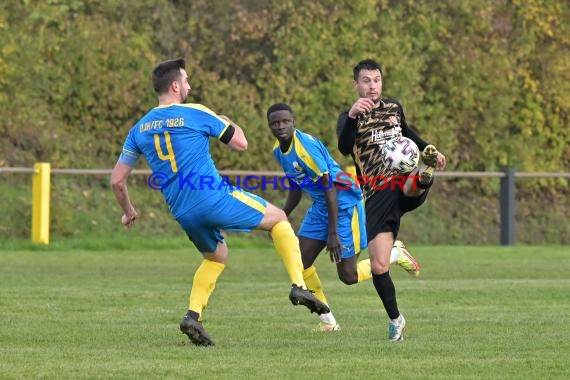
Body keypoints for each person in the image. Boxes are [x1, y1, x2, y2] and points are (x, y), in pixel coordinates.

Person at [110, 59, 330, 347]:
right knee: (279, 218)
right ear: (175, 86)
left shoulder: (139, 128)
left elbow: (117, 180)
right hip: (212, 197)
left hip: (182, 210)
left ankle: (193, 316)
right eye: (186, 81)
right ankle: (299, 287)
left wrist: (128, 212)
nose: (189, 85)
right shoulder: (197, 113)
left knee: (216, 257)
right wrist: (226, 120)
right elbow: (241, 143)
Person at [267, 103, 422, 333]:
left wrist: (333, 234)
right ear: (269, 126)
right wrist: (283, 215)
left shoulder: (305, 148)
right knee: (301, 263)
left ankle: (395, 253)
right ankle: (328, 321)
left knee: (348, 276)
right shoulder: (279, 151)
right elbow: (296, 184)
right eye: (275, 123)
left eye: (285, 121)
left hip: (345, 204)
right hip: (322, 206)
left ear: (293, 122)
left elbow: (330, 189)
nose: (280, 126)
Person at [337, 59, 446, 342]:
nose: (372, 86)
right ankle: (396, 320)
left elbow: (407, 133)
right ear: (356, 85)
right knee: (379, 266)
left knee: (410, 180)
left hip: (402, 181)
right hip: (375, 194)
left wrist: (427, 148)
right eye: (366, 81)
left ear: (381, 82)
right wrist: (350, 116)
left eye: (376, 80)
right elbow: (344, 146)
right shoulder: (350, 117)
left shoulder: (394, 108)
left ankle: (424, 171)